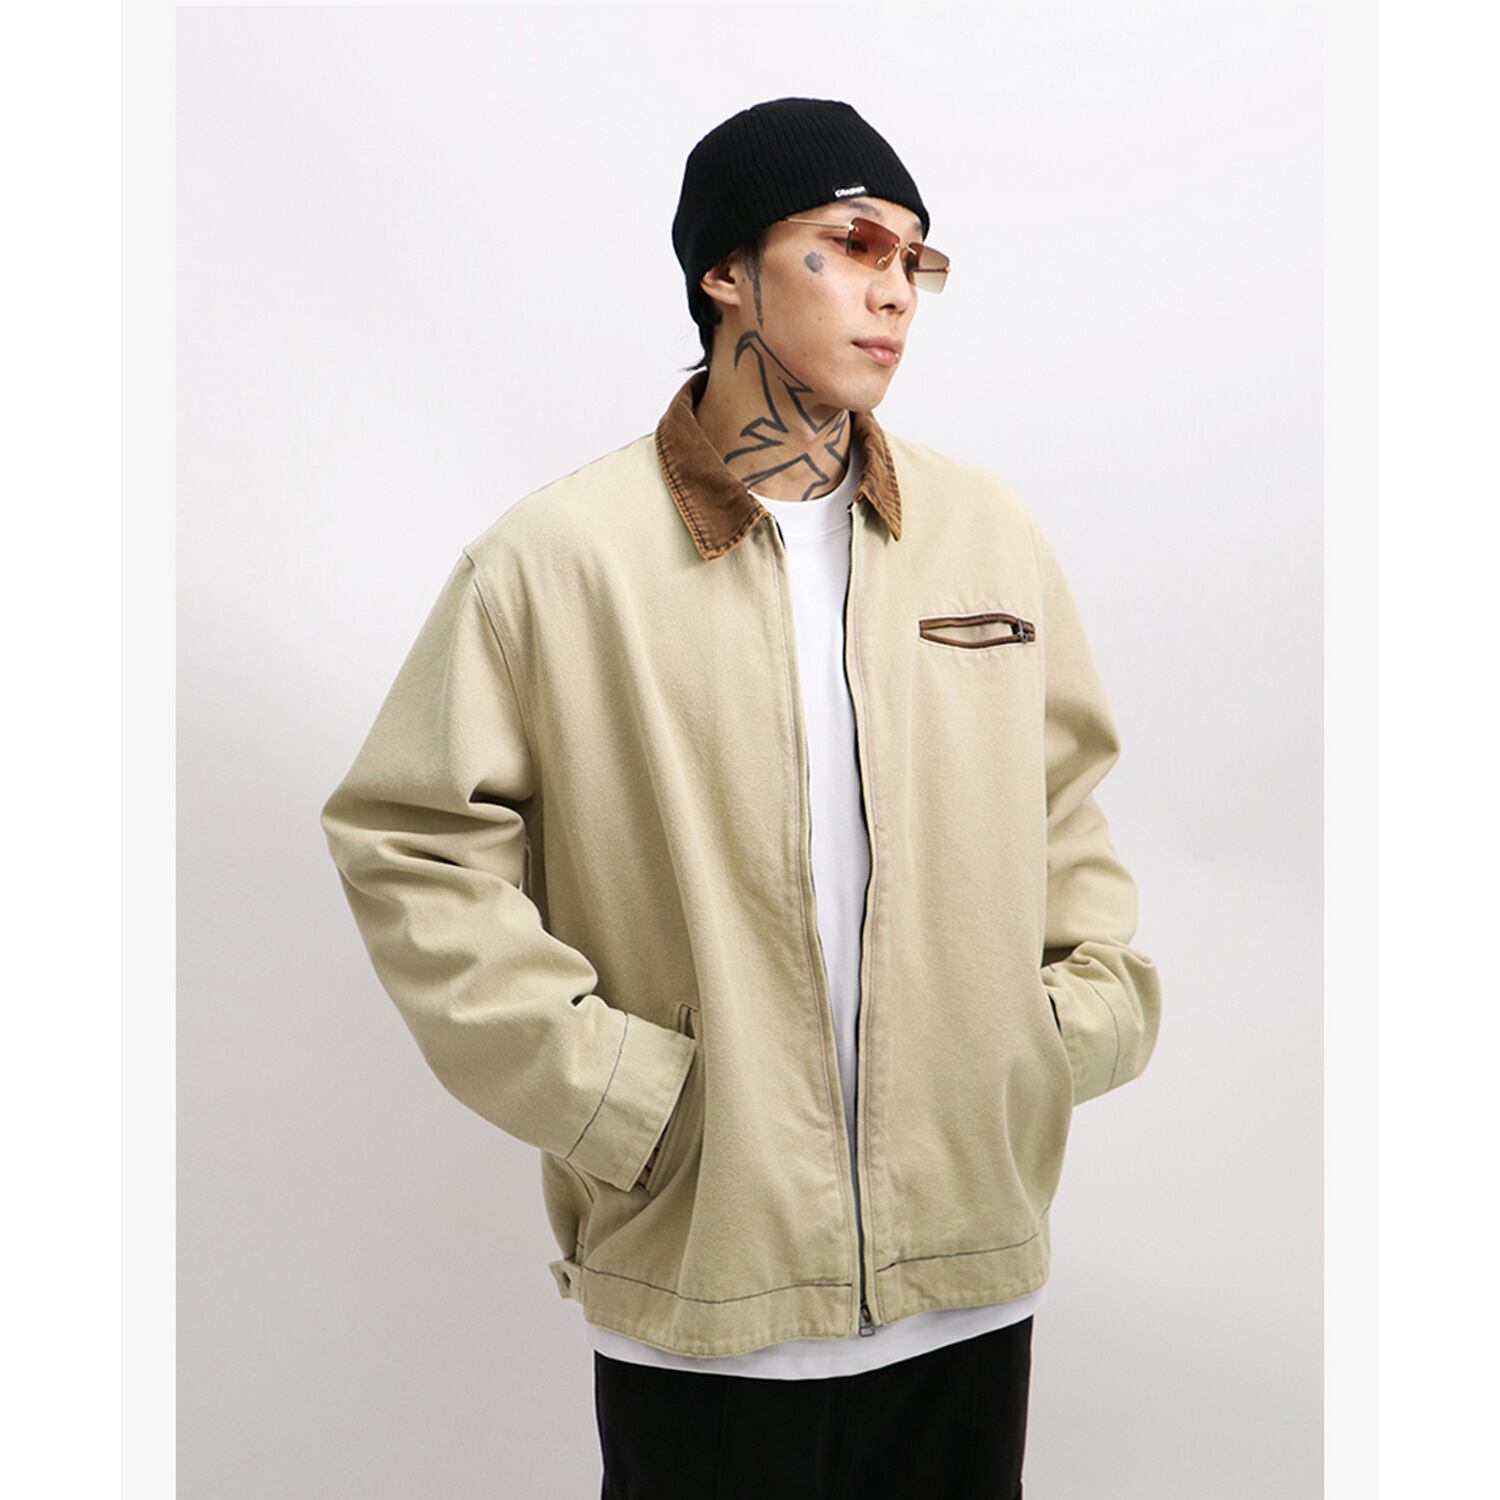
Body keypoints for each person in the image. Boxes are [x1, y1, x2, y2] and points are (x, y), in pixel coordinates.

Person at [320, 96, 1162, 1499]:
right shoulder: (560, 560)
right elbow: (409, 841)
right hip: (707, 1289)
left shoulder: (985, 532)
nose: (895, 289)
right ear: (725, 270)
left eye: (914, 259)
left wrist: (1059, 1027)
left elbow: (1063, 798)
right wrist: (613, 1095)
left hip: (969, 1273)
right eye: (852, 244)